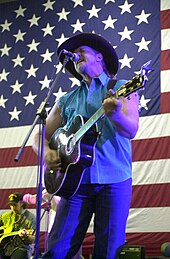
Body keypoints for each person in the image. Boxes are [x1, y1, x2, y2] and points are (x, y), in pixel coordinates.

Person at [32, 32, 139, 259]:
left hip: (114, 180)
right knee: (57, 249)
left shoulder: (121, 87)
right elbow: (41, 135)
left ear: (99, 57)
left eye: (81, 51)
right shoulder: (67, 99)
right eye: (74, 54)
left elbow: (131, 130)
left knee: (109, 250)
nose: (76, 56)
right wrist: (48, 152)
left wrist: (117, 114)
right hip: (73, 184)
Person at [0, 192, 36, 259]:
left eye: (15, 205)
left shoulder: (31, 218)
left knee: (19, 255)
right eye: (11, 205)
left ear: (21, 203)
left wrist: (25, 236)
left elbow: (33, 239)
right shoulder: (5, 216)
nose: (13, 208)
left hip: (22, 247)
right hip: (5, 247)